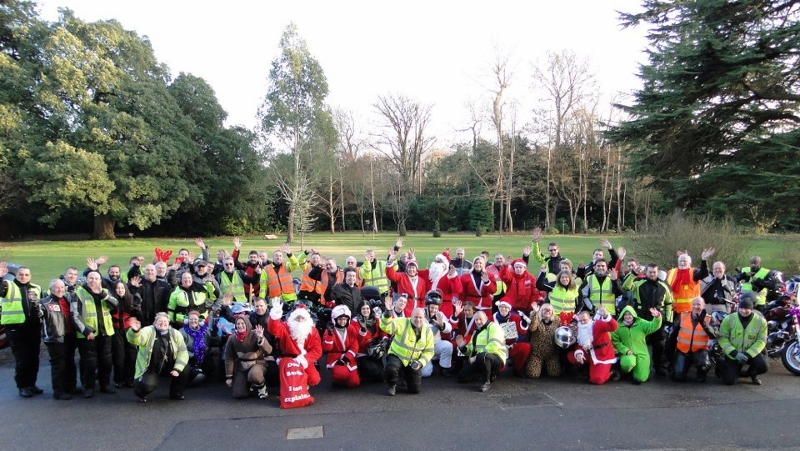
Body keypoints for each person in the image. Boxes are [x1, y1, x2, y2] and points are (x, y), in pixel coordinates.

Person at [72, 271, 119, 397]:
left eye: (96, 278)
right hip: (87, 335)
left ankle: (105, 385)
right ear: (86, 279)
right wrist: (86, 331)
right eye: (91, 278)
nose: (94, 281)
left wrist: (103, 295)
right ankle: (89, 386)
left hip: (106, 332)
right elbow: (75, 315)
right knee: (90, 363)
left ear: (100, 280)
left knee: (106, 361)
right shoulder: (78, 293)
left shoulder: (105, 292)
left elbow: (115, 306)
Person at [0, 263, 43, 398]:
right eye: (21, 274)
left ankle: (32, 384)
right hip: (16, 328)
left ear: (30, 276)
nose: (23, 277)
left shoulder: (36, 288)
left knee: (34, 358)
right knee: (22, 359)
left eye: (26, 275)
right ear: (16, 276)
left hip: (33, 327)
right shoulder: (8, 285)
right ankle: (23, 386)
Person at [622, 263, 674, 375]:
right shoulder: (638, 282)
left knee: (659, 344)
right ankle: (638, 366)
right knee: (639, 343)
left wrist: (669, 320)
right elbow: (625, 286)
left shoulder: (664, 286)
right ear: (646, 272)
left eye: (654, 272)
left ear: (657, 272)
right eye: (650, 272)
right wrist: (633, 274)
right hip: (641, 316)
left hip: (657, 317)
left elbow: (669, 303)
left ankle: (658, 367)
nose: (652, 274)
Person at [126, 313, 189, 402]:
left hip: (169, 365)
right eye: (160, 321)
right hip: (151, 367)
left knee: (185, 368)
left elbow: (183, 353)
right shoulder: (148, 331)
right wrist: (135, 331)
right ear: (154, 323)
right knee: (146, 387)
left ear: (169, 324)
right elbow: (135, 340)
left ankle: (176, 393)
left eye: (165, 321)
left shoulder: (176, 333)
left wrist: (177, 369)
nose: (162, 323)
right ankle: (141, 392)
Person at [380, 297, 434, 396]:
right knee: (391, 368)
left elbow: (429, 351)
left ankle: (403, 377)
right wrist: (387, 313)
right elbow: (386, 327)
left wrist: (420, 363)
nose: (418, 320)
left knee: (415, 390)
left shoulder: (427, 331)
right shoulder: (402, 322)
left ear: (424, 318)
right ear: (411, 316)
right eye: (416, 317)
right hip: (396, 355)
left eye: (420, 317)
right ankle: (391, 385)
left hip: (413, 361)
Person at [267, 299, 323, 386]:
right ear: (293, 318)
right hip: (287, 358)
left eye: (302, 318)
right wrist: (275, 316)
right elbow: (273, 329)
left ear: (306, 319)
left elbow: (317, 350)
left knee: (314, 379)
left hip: (304, 358)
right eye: (298, 318)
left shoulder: (312, 331)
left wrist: (304, 359)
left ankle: (302, 384)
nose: (300, 320)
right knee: (290, 381)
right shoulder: (286, 326)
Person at [717, 293, 769, 385]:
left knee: (763, 367)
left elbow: (761, 341)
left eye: (746, 309)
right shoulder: (729, 319)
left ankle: (750, 374)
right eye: (741, 308)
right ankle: (724, 368)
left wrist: (748, 354)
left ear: (752, 309)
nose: (743, 311)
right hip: (733, 354)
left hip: (750, 353)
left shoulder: (761, 322)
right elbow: (722, 339)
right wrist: (735, 354)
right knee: (729, 381)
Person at [40, 279, 78, 400]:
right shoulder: (45, 302)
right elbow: (37, 313)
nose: (59, 290)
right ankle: (59, 391)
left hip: (70, 336)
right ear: (51, 289)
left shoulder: (67, 299)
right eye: (56, 287)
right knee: (59, 365)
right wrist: (35, 304)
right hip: (55, 338)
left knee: (70, 362)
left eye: (62, 287)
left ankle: (71, 386)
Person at [455, 310, 507, 392]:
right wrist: (462, 348)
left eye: (480, 319)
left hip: (497, 358)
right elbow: (471, 349)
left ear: (486, 318)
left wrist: (475, 357)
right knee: (461, 378)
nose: (478, 322)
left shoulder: (494, 327)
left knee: (483, 356)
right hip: (480, 359)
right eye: (476, 320)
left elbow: (494, 346)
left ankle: (486, 382)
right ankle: (487, 374)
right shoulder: (476, 331)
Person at [611, 305, 663, 384]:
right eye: (625, 314)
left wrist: (657, 317)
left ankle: (640, 370)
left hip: (641, 353)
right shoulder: (618, 326)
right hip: (627, 354)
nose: (627, 316)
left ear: (633, 315)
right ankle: (626, 372)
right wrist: (626, 350)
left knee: (641, 378)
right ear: (622, 316)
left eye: (629, 314)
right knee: (628, 362)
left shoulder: (641, 323)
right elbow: (615, 342)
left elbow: (653, 326)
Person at [224, 315, 273, 399]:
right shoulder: (232, 338)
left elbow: (269, 350)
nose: (240, 325)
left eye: (242, 323)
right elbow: (229, 357)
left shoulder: (255, 334)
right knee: (238, 394)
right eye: (238, 323)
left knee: (254, 375)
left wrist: (261, 338)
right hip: (242, 366)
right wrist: (229, 376)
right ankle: (249, 385)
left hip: (257, 363)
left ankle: (261, 387)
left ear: (247, 324)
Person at [567, 307, 618, 385]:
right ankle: (587, 369)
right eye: (581, 321)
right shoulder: (579, 328)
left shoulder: (598, 324)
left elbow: (614, 327)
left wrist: (605, 315)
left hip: (602, 355)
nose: (583, 322)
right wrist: (579, 353)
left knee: (597, 379)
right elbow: (580, 344)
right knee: (571, 356)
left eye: (585, 320)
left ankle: (611, 372)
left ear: (590, 318)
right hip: (590, 353)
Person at [671, 297, 715, 383]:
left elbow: (714, 335)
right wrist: (669, 356)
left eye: (698, 304)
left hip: (700, 351)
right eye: (694, 304)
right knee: (678, 377)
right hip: (683, 351)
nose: (696, 306)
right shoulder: (682, 316)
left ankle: (701, 373)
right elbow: (672, 335)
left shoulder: (709, 318)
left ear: (703, 305)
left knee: (704, 365)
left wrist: (703, 323)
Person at [110, 280, 143, 389]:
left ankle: (129, 379)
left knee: (132, 356)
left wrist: (137, 310)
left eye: (122, 288)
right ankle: (119, 379)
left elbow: (139, 316)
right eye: (118, 288)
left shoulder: (131, 300)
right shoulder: (111, 301)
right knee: (119, 357)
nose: (120, 290)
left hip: (129, 329)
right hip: (116, 331)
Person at [321, 305, 361, 388]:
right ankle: (336, 379)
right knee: (341, 374)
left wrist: (347, 358)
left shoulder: (350, 328)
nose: (343, 321)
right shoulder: (330, 330)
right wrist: (330, 335)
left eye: (345, 319)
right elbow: (326, 348)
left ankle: (344, 377)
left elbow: (355, 345)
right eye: (340, 319)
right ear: (335, 319)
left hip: (348, 358)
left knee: (354, 382)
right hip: (335, 357)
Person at [666, 248, 713, 316]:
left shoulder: (693, 272)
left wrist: (704, 260)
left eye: (684, 261)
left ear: (689, 263)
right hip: (673, 310)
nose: (682, 263)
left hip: (689, 311)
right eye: (680, 261)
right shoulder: (671, 272)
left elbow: (704, 273)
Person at [493, 300, 532, 376]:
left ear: (509, 309)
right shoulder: (492, 318)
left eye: (506, 307)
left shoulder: (515, 317)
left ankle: (517, 369)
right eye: (501, 307)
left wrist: (524, 322)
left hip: (511, 346)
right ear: (498, 307)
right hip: (497, 348)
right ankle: (493, 371)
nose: (504, 309)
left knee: (526, 347)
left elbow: (523, 331)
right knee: (500, 367)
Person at [421, 290, 454, 377]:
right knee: (425, 374)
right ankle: (428, 361)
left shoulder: (440, 315)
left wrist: (442, 325)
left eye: (436, 308)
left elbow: (449, 328)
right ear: (427, 305)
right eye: (432, 308)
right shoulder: (420, 313)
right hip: (423, 348)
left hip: (436, 344)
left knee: (448, 346)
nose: (434, 310)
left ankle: (444, 368)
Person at [524, 303, 562, 378]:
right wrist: (535, 313)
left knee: (555, 374)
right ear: (541, 311)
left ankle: (545, 366)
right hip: (537, 353)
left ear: (552, 312)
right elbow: (532, 328)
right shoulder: (536, 318)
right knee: (533, 374)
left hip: (552, 354)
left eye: (549, 310)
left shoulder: (557, 320)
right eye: (545, 310)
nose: (547, 311)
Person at [354, 300, 384, 382]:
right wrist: (363, 331)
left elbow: (383, 331)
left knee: (382, 376)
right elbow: (356, 341)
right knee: (376, 373)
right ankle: (360, 370)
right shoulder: (354, 322)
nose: (366, 311)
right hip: (362, 352)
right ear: (359, 310)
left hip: (375, 351)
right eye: (363, 309)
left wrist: (384, 339)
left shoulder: (376, 319)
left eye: (367, 308)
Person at [181, 310, 214, 381]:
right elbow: (180, 349)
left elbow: (209, 343)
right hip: (188, 357)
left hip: (202, 356)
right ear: (187, 320)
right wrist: (192, 355)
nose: (193, 321)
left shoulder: (206, 331)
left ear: (199, 321)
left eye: (195, 319)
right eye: (191, 319)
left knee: (210, 366)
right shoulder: (182, 332)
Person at [426, 253, 462, 319]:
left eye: (439, 262)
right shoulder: (429, 274)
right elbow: (413, 272)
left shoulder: (450, 276)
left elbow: (458, 289)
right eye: (436, 261)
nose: (437, 264)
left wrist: (453, 276)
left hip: (445, 308)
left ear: (445, 264)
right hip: (429, 306)